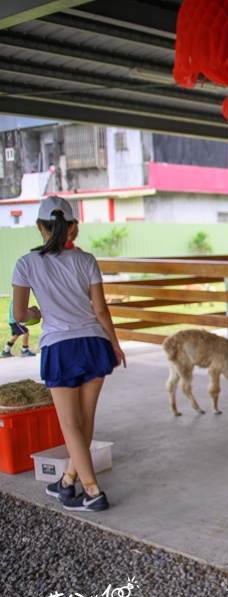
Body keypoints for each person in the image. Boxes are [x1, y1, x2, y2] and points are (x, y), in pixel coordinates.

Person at [11, 196, 125, 512]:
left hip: (59, 347)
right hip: (93, 343)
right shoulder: (86, 260)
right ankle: (67, 481)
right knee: (85, 419)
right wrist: (114, 344)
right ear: (72, 227)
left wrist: (38, 311)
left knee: (70, 424)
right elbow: (100, 310)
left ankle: (91, 492)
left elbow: (21, 315)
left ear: (39, 227)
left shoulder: (26, 263)